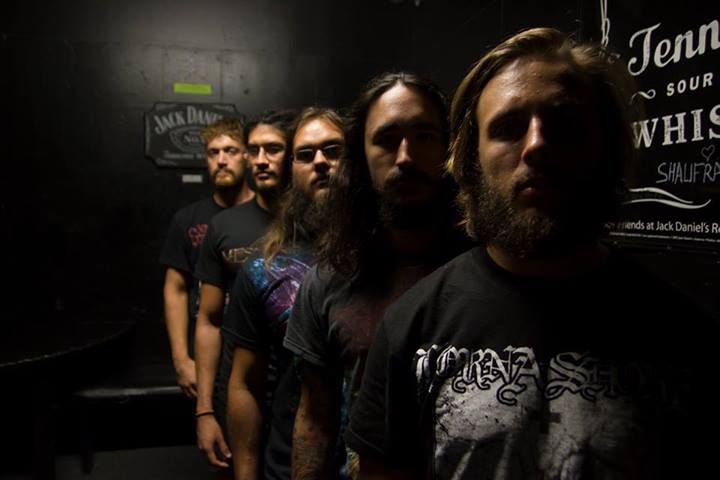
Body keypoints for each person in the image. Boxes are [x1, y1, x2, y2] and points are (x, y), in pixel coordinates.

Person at [346, 27, 718, 479]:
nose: (538, 144)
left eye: (564, 124)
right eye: (507, 128)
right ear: (471, 159)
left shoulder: (685, 337)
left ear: (606, 147)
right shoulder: (411, 325)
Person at [283, 73, 470, 479]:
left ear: (450, 146)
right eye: (386, 139)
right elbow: (315, 419)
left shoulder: (494, 265)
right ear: (361, 157)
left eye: (423, 136)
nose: (405, 156)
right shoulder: (329, 280)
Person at [224, 107, 345, 480]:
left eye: (334, 150)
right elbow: (245, 383)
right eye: (305, 154)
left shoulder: (392, 253)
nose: (320, 161)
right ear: (292, 170)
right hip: (290, 465)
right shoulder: (263, 269)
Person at [195, 110, 294, 470]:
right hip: (237, 385)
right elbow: (208, 320)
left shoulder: (311, 224)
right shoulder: (224, 225)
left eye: (273, 149)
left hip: (296, 386)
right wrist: (205, 409)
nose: (261, 160)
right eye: (253, 150)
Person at [160, 117, 253, 399]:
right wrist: (181, 360)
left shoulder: (268, 215)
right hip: (207, 348)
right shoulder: (187, 219)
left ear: (247, 156)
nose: (221, 160)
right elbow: (176, 290)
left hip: (255, 348)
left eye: (231, 151)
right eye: (214, 153)